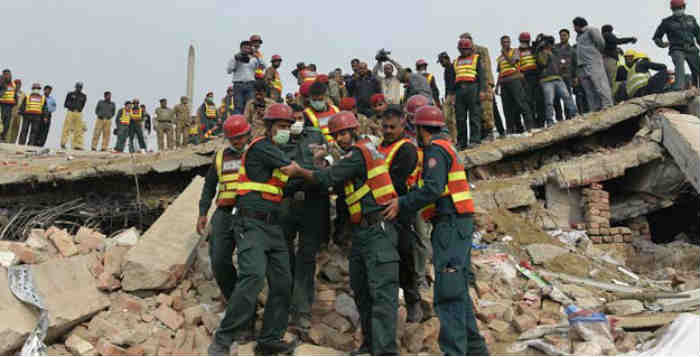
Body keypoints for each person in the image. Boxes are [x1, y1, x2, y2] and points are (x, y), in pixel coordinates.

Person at [281, 111, 400, 356]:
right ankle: (370, 345)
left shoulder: (359, 153)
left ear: (354, 130)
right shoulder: (356, 153)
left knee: (381, 294)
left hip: (378, 229)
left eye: (344, 133)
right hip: (363, 231)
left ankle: (385, 351)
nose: (341, 139)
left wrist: (301, 172)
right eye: (336, 135)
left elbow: (328, 177)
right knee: (363, 291)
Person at [382, 105, 488, 356]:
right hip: (456, 224)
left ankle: (455, 352)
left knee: (448, 294)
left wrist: (402, 203)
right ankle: (476, 350)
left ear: (420, 129)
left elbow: (432, 188)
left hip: (449, 224)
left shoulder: (435, 151)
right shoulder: (446, 146)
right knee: (458, 291)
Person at [208, 104, 297, 356]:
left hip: (273, 227)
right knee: (253, 277)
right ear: (268, 127)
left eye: (288, 127)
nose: (286, 131)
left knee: (282, 283)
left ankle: (269, 339)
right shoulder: (261, 147)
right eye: (281, 126)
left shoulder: (277, 154)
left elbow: (289, 182)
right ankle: (223, 339)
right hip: (250, 223)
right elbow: (296, 170)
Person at [198, 114, 255, 344]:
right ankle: (235, 304)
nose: (238, 142)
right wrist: (202, 212)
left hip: (250, 214)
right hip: (223, 214)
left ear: (248, 134)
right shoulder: (221, 156)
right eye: (234, 139)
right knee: (219, 260)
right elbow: (209, 186)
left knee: (249, 266)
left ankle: (247, 319)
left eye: (241, 137)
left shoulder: (258, 152)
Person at [277, 103, 331, 338]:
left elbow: (324, 167)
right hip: (285, 204)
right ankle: (285, 305)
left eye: (300, 117)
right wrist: (306, 173)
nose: (297, 122)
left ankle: (302, 313)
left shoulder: (316, 135)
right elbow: (279, 172)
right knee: (284, 256)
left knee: (306, 257)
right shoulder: (278, 140)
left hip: (312, 203)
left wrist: (304, 172)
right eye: (293, 119)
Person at [378, 104, 424, 322]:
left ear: (402, 125)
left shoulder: (406, 149)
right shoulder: (379, 148)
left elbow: (395, 181)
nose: (387, 131)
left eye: (392, 127)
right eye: (384, 126)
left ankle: (413, 301)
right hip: (379, 211)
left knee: (405, 255)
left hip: (400, 209)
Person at [460, 32, 501, 140]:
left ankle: (490, 132)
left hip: (484, 82)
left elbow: (485, 67)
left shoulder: (481, 50)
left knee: (487, 108)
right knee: (477, 110)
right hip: (472, 84)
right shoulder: (463, 54)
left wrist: (488, 84)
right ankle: (483, 133)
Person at [653, 0, 700, 90]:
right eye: (676, 8)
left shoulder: (691, 19)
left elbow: (698, 34)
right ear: (672, 9)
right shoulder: (666, 22)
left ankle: (696, 87)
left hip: (691, 48)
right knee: (679, 66)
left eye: (680, 8)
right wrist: (662, 44)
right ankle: (679, 88)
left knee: (697, 69)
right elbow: (657, 37)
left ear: (684, 7)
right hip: (677, 49)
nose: (678, 10)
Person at [574, 17, 614, 111]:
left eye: (574, 26)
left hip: (593, 62)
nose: (574, 28)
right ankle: (595, 108)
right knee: (589, 89)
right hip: (582, 65)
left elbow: (600, 43)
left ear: (578, 25)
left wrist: (594, 55)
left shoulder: (591, 30)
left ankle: (608, 104)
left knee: (600, 84)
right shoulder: (578, 36)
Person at [496, 35, 534, 134]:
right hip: (504, 82)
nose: (506, 44)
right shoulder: (499, 58)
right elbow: (500, 71)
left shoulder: (515, 51)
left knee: (521, 102)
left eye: (507, 42)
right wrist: (497, 86)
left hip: (514, 79)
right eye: (504, 42)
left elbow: (513, 62)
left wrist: (505, 54)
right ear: (501, 43)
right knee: (507, 107)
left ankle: (529, 125)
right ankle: (510, 129)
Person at [453, 38, 487, 149]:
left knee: (474, 115)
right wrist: (453, 94)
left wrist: (482, 91)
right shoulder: (456, 61)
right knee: (460, 118)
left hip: (472, 87)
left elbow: (481, 76)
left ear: (470, 49)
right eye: (462, 49)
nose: (463, 51)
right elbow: (454, 78)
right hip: (459, 90)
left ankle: (475, 140)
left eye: (465, 49)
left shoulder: (476, 58)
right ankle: (461, 142)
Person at [537, 38, 578, 127]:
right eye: (548, 44)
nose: (550, 45)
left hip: (558, 78)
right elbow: (543, 63)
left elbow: (562, 64)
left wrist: (562, 67)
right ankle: (550, 121)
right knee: (549, 102)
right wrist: (545, 52)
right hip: (546, 80)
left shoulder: (556, 53)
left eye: (551, 43)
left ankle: (574, 114)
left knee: (567, 97)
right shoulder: (540, 53)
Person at [227, 40, 266, 114]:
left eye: (248, 48)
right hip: (238, 85)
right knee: (238, 106)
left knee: (250, 106)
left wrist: (256, 55)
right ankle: (239, 124)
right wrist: (236, 60)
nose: (246, 50)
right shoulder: (234, 58)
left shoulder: (253, 59)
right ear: (241, 48)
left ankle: (248, 124)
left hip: (250, 85)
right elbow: (229, 70)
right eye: (244, 48)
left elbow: (263, 66)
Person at [516, 32, 543, 128]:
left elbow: (540, 42)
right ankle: (533, 122)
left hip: (536, 75)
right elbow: (516, 64)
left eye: (526, 41)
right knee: (529, 99)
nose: (524, 43)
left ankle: (541, 121)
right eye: (523, 41)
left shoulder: (533, 48)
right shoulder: (517, 51)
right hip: (525, 77)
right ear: (520, 41)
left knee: (539, 98)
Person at [554, 29, 575, 121]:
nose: (563, 37)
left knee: (567, 96)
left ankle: (569, 116)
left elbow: (574, 64)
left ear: (568, 36)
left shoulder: (572, 49)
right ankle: (559, 118)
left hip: (567, 76)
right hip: (557, 76)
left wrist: (575, 77)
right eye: (561, 35)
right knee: (556, 98)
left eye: (565, 35)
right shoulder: (555, 48)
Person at [437, 52, 458, 142]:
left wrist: (454, 95)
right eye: (440, 62)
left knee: (454, 119)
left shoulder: (454, 67)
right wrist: (446, 97)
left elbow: (456, 82)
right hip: (448, 95)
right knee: (446, 118)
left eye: (442, 61)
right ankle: (453, 138)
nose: (441, 64)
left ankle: (457, 138)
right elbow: (447, 85)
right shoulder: (445, 70)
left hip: (455, 94)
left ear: (447, 58)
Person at [61, 82, 87, 150]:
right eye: (78, 87)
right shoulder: (70, 94)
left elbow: (83, 105)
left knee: (79, 129)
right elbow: (65, 104)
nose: (79, 88)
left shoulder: (83, 96)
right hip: (70, 112)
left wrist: (79, 109)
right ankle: (63, 143)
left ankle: (77, 145)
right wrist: (72, 106)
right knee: (66, 128)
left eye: (80, 87)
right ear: (75, 87)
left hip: (78, 113)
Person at [4, 79, 24, 143]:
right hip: (11, 111)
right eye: (16, 84)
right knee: (9, 126)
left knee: (16, 127)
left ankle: (13, 141)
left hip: (19, 112)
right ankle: (7, 140)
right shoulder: (10, 91)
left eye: (19, 84)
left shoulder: (23, 94)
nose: (18, 85)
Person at [0, 70, 18, 141]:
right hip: (2, 105)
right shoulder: (1, 83)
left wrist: (15, 103)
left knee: (7, 123)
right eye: (6, 75)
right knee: (1, 122)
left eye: (9, 74)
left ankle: (3, 137)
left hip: (9, 106)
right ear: (3, 76)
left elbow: (15, 95)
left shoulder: (13, 84)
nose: (8, 76)